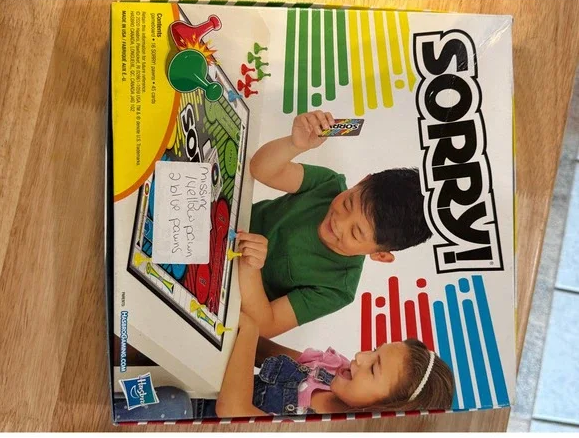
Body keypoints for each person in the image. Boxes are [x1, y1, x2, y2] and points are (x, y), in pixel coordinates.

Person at [235, 110, 432, 338]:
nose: (339, 223)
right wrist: (294, 144)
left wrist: (249, 268)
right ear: (363, 180)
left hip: (229, 300)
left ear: (380, 255)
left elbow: (264, 327)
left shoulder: (338, 287)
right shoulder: (328, 184)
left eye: (355, 233)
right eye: (348, 204)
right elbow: (260, 169)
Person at [189, 313, 454, 418]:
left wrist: (249, 328)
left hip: (190, 424)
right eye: (375, 351)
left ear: (382, 412)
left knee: (172, 403)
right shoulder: (334, 369)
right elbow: (260, 351)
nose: (361, 357)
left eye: (374, 368)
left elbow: (232, 411)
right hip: (199, 382)